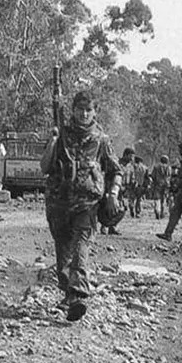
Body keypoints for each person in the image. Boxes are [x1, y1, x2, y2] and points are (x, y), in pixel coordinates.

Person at [40, 91, 119, 322]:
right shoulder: (60, 133)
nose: (84, 114)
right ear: (73, 110)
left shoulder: (101, 140)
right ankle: (69, 293)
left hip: (87, 204)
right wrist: (53, 142)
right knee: (63, 254)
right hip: (58, 203)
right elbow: (45, 167)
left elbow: (115, 171)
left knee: (80, 248)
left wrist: (113, 194)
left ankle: (78, 295)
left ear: (95, 112)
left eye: (88, 110)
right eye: (79, 110)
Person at [148, 154, 171, 220]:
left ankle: (157, 211)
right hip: (166, 185)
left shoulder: (156, 167)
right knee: (163, 199)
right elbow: (169, 176)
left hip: (158, 184)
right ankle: (162, 213)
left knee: (157, 199)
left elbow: (153, 176)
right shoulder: (169, 167)